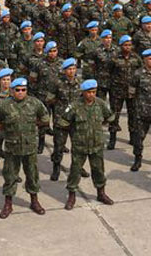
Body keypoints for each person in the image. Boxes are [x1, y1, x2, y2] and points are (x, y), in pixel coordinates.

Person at [0, 77, 49, 219]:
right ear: (12, 91)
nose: (21, 92)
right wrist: (6, 129)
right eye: (18, 90)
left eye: (24, 90)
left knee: (32, 175)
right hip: (12, 147)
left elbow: (45, 118)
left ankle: (34, 201)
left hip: (29, 147)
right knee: (10, 175)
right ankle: (8, 204)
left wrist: (33, 126)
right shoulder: (4, 105)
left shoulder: (35, 103)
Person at [57, 79, 114, 210]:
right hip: (80, 145)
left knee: (99, 170)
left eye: (94, 92)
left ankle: (101, 193)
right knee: (75, 171)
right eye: (88, 92)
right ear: (83, 92)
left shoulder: (100, 104)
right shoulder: (74, 106)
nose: (91, 95)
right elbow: (63, 122)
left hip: (97, 145)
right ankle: (72, 196)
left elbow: (109, 117)